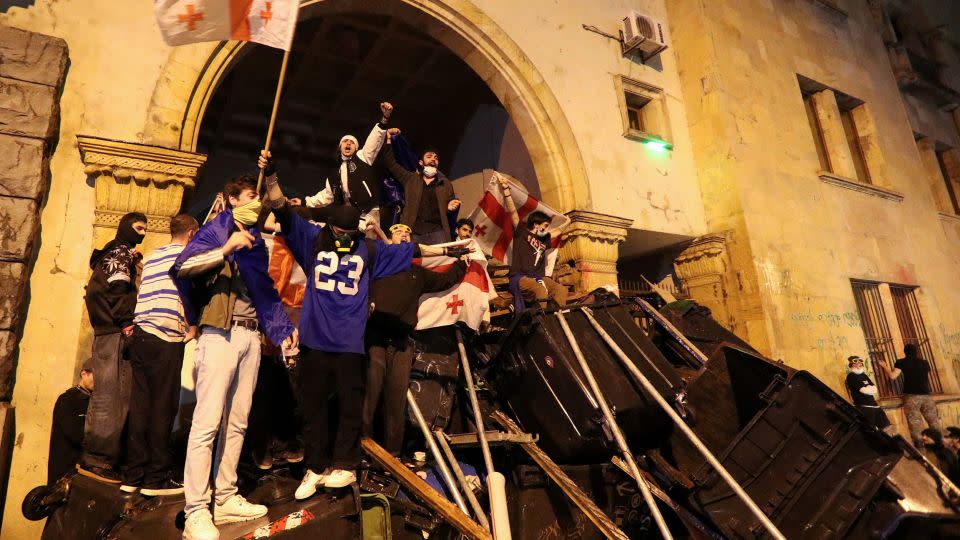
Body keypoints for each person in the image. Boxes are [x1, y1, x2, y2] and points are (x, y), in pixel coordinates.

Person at [260, 151, 471, 501]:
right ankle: (315, 467)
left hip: (349, 344)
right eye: (338, 231)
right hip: (314, 341)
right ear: (329, 228)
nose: (343, 237)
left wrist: (451, 251)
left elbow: (415, 251)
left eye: (348, 232)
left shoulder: (369, 250)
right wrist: (270, 175)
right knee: (312, 409)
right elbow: (282, 207)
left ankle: (344, 464)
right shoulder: (312, 242)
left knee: (349, 407)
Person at [173, 174, 298, 540]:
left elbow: (264, 290)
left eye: (257, 196)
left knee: (238, 421)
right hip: (219, 333)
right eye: (248, 196)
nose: (255, 202)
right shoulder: (216, 230)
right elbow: (182, 268)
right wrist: (225, 249)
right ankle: (196, 509)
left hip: (249, 334)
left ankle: (225, 496)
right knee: (207, 423)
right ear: (231, 200)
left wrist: (281, 328)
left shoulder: (257, 244)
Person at [363, 223, 467, 456]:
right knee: (369, 397)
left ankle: (393, 457)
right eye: (398, 232)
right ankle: (363, 453)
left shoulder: (417, 273)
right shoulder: (377, 264)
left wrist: (464, 261)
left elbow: (445, 280)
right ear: (389, 239)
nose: (404, 235)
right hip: (375, 338)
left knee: (396, 402)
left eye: (408, 234)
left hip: (401, 342)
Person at [120, 214, 199, 496]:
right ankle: (156, 478)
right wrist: (192, 327)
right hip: (166, 335)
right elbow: (192, 294)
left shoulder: (154, 255)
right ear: (191, 233)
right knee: (163, 407)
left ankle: (133, 474)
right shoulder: (189, 255)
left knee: (140, 405)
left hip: (141, 333)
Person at [79, 211, 147, 483]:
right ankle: (99, 459)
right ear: (126, 228)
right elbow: (118, 290)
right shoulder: (121, 254)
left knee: (108, 394)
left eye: (145, 229)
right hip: (114, 332)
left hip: (106, 331)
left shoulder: (111, 254)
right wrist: (127, 322)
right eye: (138, 228)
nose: (142, 233)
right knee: (113, 395)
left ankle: (99, 457)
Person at [304, 102, 394, 231]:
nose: (348, 143)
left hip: (369, 212)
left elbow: (375, 139)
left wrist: (384, 119)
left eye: (352, 142)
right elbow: (327, 196)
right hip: (350, 215)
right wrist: (304, 202)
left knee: (371, 246)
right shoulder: (335, 173)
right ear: (340, 147)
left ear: (356, 148)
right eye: (345, 141)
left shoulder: (363, 157)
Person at [495, 175, 568, 311]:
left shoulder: (544, 239)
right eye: (545, 226)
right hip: (520, 278)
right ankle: (542, 323)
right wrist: (506, 191)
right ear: (536, 224)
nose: (547, 229)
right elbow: (512, 213)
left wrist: (567, 222)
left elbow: (557, 232)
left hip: (539, 278)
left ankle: (557, 319)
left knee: (560, 290)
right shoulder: (522, 232)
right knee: (540, 291)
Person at [381, 127, 461, 244]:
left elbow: (449, 208)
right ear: (421, 162)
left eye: (436, 158)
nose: (433, 159)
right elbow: (390, 163)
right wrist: (388, 138)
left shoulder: (446, 183)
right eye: (429, 156)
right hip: (412, 232)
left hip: (438, 233)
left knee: (439, 262)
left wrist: (450, 207)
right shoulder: (410, 179)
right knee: (412, 261)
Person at [879, 344, 943, 447]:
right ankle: (939, 445)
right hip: (927, 396)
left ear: (905, 352)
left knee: (915, 425)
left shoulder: (901, 362)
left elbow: (893, 376)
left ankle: (920, 450)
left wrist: (884, 366)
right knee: (934, 422)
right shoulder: (924, 362)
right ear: (916, 352)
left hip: (911, 397)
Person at [48, 362, 94, 485]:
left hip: (84, 470)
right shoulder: (67, 399)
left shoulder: (96, 401)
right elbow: (74, 433)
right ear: (84, 374)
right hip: (65, 467)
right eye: (96, 376)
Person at [844, 356, 891, 433]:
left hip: (874, 404)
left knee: (886, 426)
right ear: (851, 365)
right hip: (864, 407)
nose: (859, 364)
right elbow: (864, 390)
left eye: (860, 362)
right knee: (870, 430)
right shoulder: (851, 376)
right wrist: (868, 388)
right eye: (856, 363)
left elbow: (875, 388)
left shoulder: (864, 375)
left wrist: (869, 388)